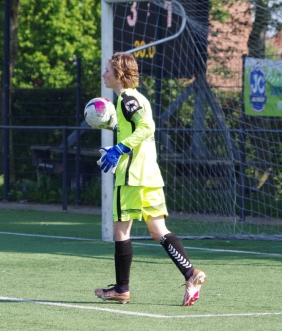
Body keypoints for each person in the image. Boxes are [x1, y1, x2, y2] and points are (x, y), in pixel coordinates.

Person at [94, 52, 206, 306]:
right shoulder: (138, 98)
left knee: (121, 230)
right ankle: (191, 273)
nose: (104, 74)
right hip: (150, 175)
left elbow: (146, 128)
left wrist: (119, 149)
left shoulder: (127, 97)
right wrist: (112, 128)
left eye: (108, 70)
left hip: (132, 176)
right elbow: (136, 127)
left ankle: (121, 288)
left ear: (120, 74)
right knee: (159, 231)